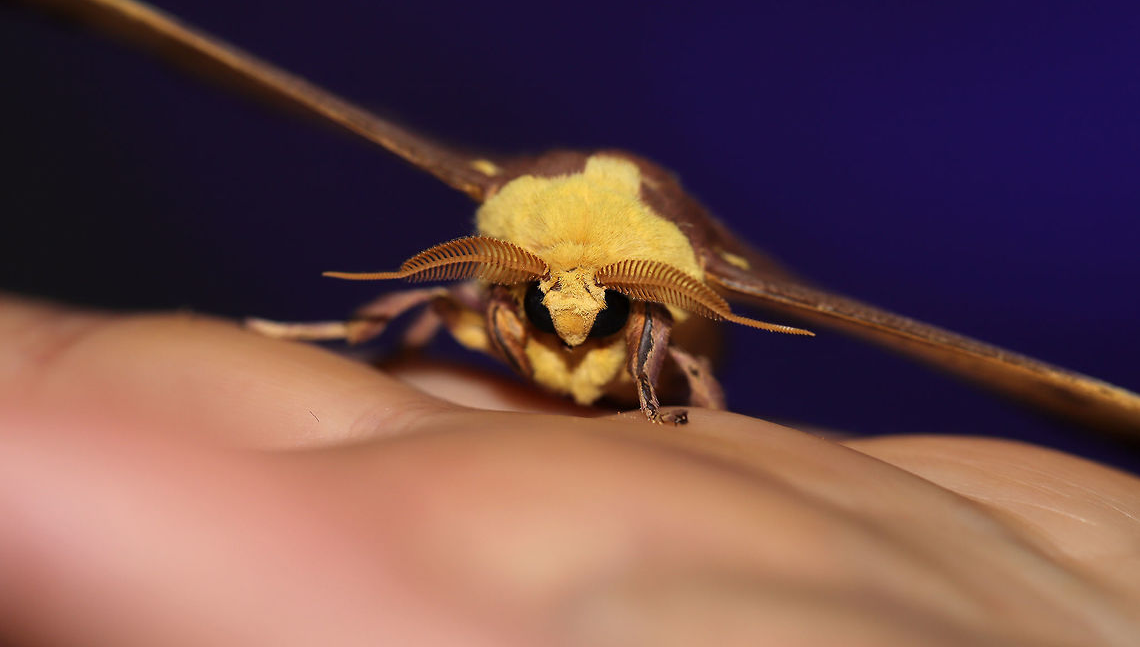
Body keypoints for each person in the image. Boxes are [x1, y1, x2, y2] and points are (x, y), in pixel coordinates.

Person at [1, 294, 1137, 646]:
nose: (572, 308)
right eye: (547, 294)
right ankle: (324, 334)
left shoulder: (653, 318)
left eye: (603, 299)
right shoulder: (499, 290)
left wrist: (677, 392)